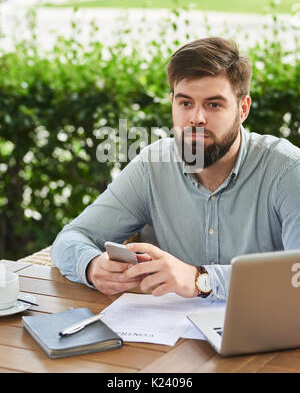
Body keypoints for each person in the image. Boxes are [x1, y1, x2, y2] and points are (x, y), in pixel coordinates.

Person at [51, 37, 300, 300]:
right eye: (185, 103)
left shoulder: (287, 170)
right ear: (172, 103)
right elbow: (71, 237)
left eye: (213, 104)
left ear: (243, 109)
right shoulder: (152, 166)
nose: (196, 118)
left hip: (272, 335)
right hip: (172, 336)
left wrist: (200, 279)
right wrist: (92, 267)